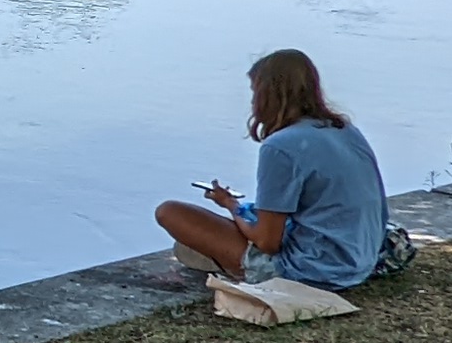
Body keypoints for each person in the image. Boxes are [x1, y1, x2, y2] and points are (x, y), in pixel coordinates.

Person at [157, 47, 390, 323]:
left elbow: (267, 242)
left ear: (268, 95)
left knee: (169, 212)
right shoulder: (346, 131)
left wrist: (233, 209)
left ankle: (227, 266)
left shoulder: (280, 146)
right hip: (362, 258)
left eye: (255, 92)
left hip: (315, 271)